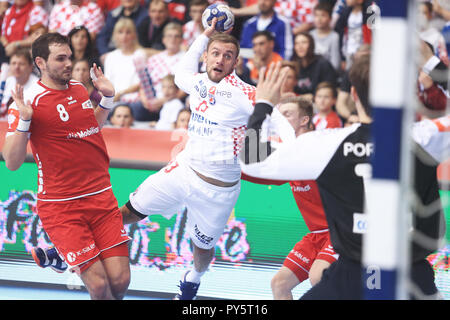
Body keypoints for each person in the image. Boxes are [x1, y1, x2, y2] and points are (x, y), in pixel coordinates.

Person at [240, 54, 448, 300]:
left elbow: (252, 161)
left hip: (350, 275)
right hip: (411, 275)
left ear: (354, 95)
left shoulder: (327, 143)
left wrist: (263, 103)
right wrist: (431, 60)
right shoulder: (426, 137)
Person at [119, 18, 291, 300]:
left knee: (202, 250)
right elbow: (180, 73)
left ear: (235, 62)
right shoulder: (196, 81)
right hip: (183, 170)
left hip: (218, 189)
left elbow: (277, 119)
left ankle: (193, 278)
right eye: (215, 53)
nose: (220, 59)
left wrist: (293, 147)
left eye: (227, 56)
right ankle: (78, 249)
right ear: (206, 57)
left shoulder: (245, 93)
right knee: (128, 212)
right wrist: (204, 35)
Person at [3, 32, 131, 300]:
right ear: (41, 62)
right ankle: (62, 253)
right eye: (60, 59)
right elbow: (12, 162)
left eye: (70, 57)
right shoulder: (29, 101)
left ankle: (60, 256)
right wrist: (25, 121)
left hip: (101, 197)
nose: (68, 63)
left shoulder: (78, 88)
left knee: (119, 282)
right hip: (62, 206)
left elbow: (90, 128)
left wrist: (107, 99)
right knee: (98, 287)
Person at [242, 96, 338, 300]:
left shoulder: (319, 145)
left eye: (287, 114)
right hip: (316, 235)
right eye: (278, 116)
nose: (281, 120)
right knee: (279, 284)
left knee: (318, 276)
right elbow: (255, 168)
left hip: (340, 231)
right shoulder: (288, 155)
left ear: (304, 120)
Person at [136, 22, 185, 121]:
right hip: (151, 101)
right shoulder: (154, 59)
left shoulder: (186, 59)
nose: (173, 39)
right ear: (164, 39)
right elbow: (143, 83)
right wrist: (145, 100)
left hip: (173, 100)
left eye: (176, 36)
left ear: (181, 40)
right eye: (169, 36)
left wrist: (163, 101)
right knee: (135, 109)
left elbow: (186, 88)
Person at [103, 17, 143, 106]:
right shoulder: (110, 57)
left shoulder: (140, 55)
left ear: (134, 35)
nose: (124, 36)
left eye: (128, 32)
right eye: (120, 32)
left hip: (134, 100)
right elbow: (107, 81)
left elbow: (140, 83)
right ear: (115, 35)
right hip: (113, 99)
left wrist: (121, 94)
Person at [291, 32, 337, 102]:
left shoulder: (323, 64)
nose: (300, 46)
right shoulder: (294, 65)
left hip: (319, 103)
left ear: (311, 45)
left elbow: (330, 89)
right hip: (297, 102)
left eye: (304, 42)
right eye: (297, 43)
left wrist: (314, 96)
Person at [334, 0, 372, 71]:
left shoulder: (368, 13)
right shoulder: (345, 13)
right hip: (349, 52)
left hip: (364, 52)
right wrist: (343, 58)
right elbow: (341, 34)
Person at [0, 48, 38, 118]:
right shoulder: (6, 81)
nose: (16, 67)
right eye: (13, 63)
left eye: (21, 64)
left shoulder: (37, 85)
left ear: (30, 67)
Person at [310, 2, 341, 71]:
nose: (319, 19)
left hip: (327, 73)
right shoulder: (310, 35)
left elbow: (335, 64)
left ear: (330, 18)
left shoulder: (334, 37)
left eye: (323, 15)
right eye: (316, 15)